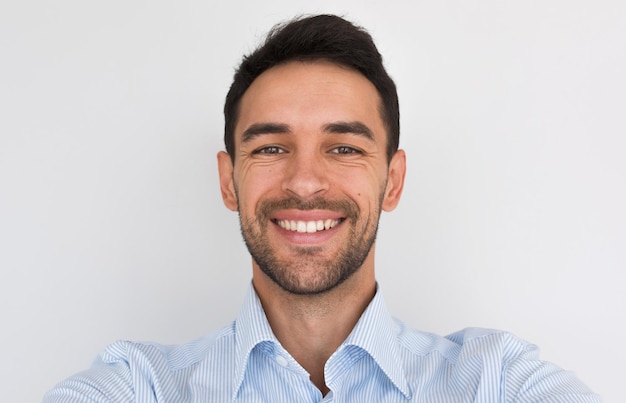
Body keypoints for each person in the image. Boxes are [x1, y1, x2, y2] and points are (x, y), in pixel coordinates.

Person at [45, 14, 600, 402]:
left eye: (344, 148)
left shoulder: (496, 382)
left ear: (393, 181)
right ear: (228, 182)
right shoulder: (141, 387)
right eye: (269, 148)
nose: (305, 181)